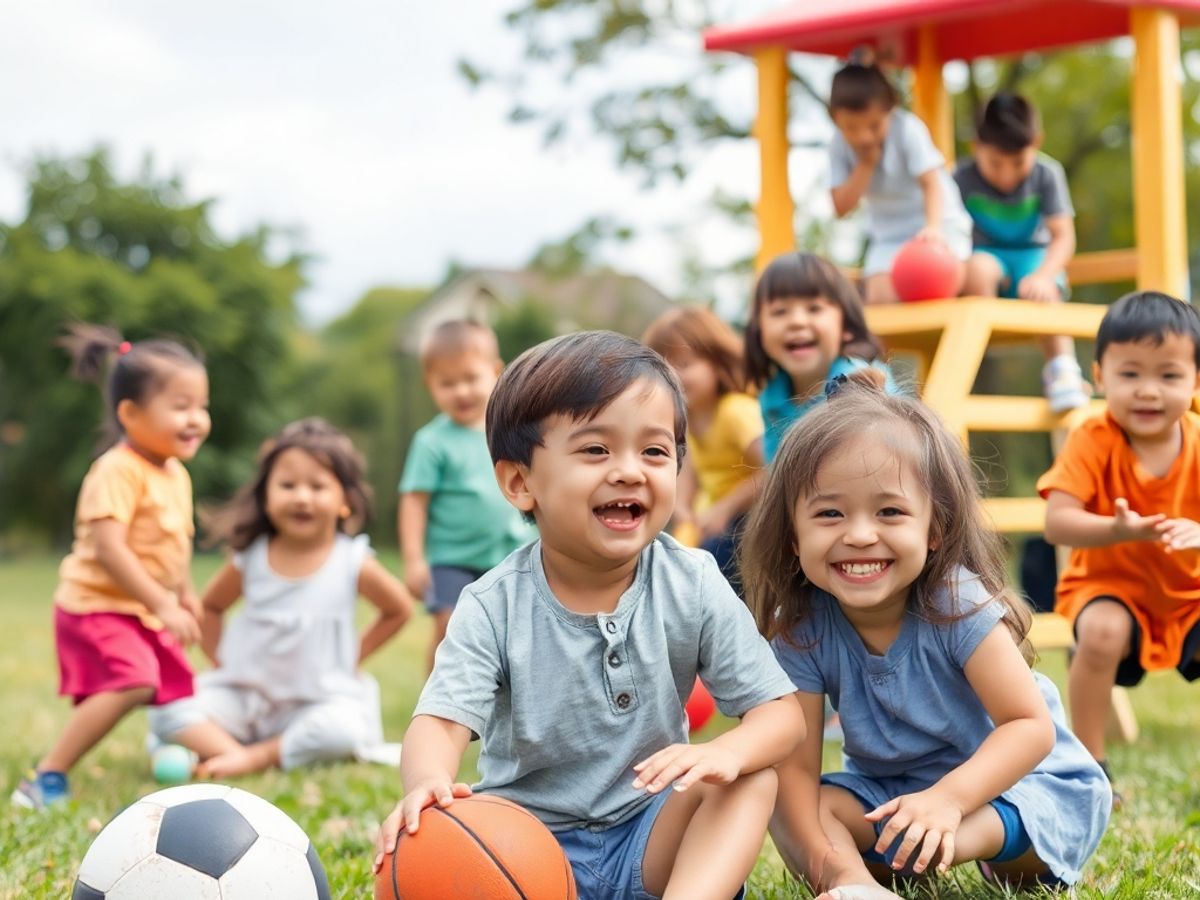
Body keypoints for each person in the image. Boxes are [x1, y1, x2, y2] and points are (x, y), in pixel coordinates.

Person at [375, 331, 805, 899]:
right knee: (437, 845)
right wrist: (428, 782)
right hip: (523, 848)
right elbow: (441, 720)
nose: (629, 471)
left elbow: (782, 716)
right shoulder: (492, 604)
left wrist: (725, 751)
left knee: (750, 778)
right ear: (519, 482)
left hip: (652, 837)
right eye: (596, 450)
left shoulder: (693, 580)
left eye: (654, 451)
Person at [741, 369, 1110, 898]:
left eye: (889, 511)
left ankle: (931, 844)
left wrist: (948, 802)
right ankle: (858, 886)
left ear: (934, 529)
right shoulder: (801, 629)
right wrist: (835, 867)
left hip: (1019, 788)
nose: (861, 535)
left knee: (1003, 833)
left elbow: (1029, 728)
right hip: (895, 796)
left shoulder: (955, 604)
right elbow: (797, 776)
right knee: (797, 803)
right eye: (829, 513)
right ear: (793, 537)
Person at [12, 324, 211, 809]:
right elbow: (110, 548)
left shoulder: (175, 473)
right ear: (130, 413)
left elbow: (175, 541)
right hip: (96, 605)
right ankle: (46, 776)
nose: (196, 419)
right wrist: (163, 602)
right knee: (135, 681)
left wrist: (184, 592)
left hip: (139, 608)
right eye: (180, 406)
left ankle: (229, 757)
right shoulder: (117, 469)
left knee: (170, 689)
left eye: (202, 407)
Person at [147, 418, 414, 777]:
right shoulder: (252, 557)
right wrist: (220, 659)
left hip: (313, 704)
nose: (302, 497)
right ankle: (231, 750)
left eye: (318, 486)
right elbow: (210, 607)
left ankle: (251, 757)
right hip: (244, 698)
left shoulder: (351, 561)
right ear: (267, 498)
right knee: (167, 708)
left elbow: (398, 610)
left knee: (343, 731)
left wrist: (352, 655)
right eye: (288, 485)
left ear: (345, 502)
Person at [1038, 291, 1200, 803]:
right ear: (1100, 376)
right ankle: (1090, 769)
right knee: (1103, 631)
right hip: (1109, 587)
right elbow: (1057, 523)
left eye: (1169, 376)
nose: (1148, 391)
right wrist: (1116, 529)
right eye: (1130, 374)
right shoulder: (1093, 437)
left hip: (1187, 593)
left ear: (1195, 381)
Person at [399, 319, 535, 672]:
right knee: (450, 628)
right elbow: (414, 501)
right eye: (447, 383)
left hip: (510, 556)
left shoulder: (512, 434)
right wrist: (414, 559)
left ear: (495, 372)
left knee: (515, 636)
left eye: (471, 379)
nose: (461, 391)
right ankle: (436, 707)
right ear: (430, 386)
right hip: (452, 559)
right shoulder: (432, 442)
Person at [954, 92, 1089, 412]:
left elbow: (1063, 236)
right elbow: (950, 236)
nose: (1007, 175)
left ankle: (1062, 368)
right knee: (977, 267)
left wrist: (1045, 275)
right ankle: (979, 347)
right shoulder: (959, 177)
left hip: (1033, 254)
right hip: (986, 255)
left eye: (1017, 163)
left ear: (1036, 143)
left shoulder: (1047, 173)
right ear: (976, 147)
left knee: (1045, 288)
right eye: (995, 163)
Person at [828, 54, 972, 305]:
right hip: (889, 236)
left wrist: (934, 227)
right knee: (881, 298)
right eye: (851, 127)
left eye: (873, 126)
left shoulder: (907, 129)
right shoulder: (838, 146)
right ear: (835, 118)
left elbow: (932, 183)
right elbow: (841, 206)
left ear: (889, 111)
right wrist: (865, 165)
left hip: (936, 223)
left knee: (934, 283)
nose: (864, 137)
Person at [642, 307, 764, 589]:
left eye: (684, 364)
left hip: (752, 514)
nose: (674, 376)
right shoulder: (690, 417)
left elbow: (775, 469)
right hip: (716, 513)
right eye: (663, 368)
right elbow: (689, 471)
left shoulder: (734, 412)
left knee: (716, 557)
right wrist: (682, 507)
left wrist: (725, 507)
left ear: (718, 363)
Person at [745, 251, 897, 464]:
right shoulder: (772, 398)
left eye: (814, 308)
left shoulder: (860, 382)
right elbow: (776, 472)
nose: (797, 321)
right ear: (758, 331)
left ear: (846, 326)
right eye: (780, 311)